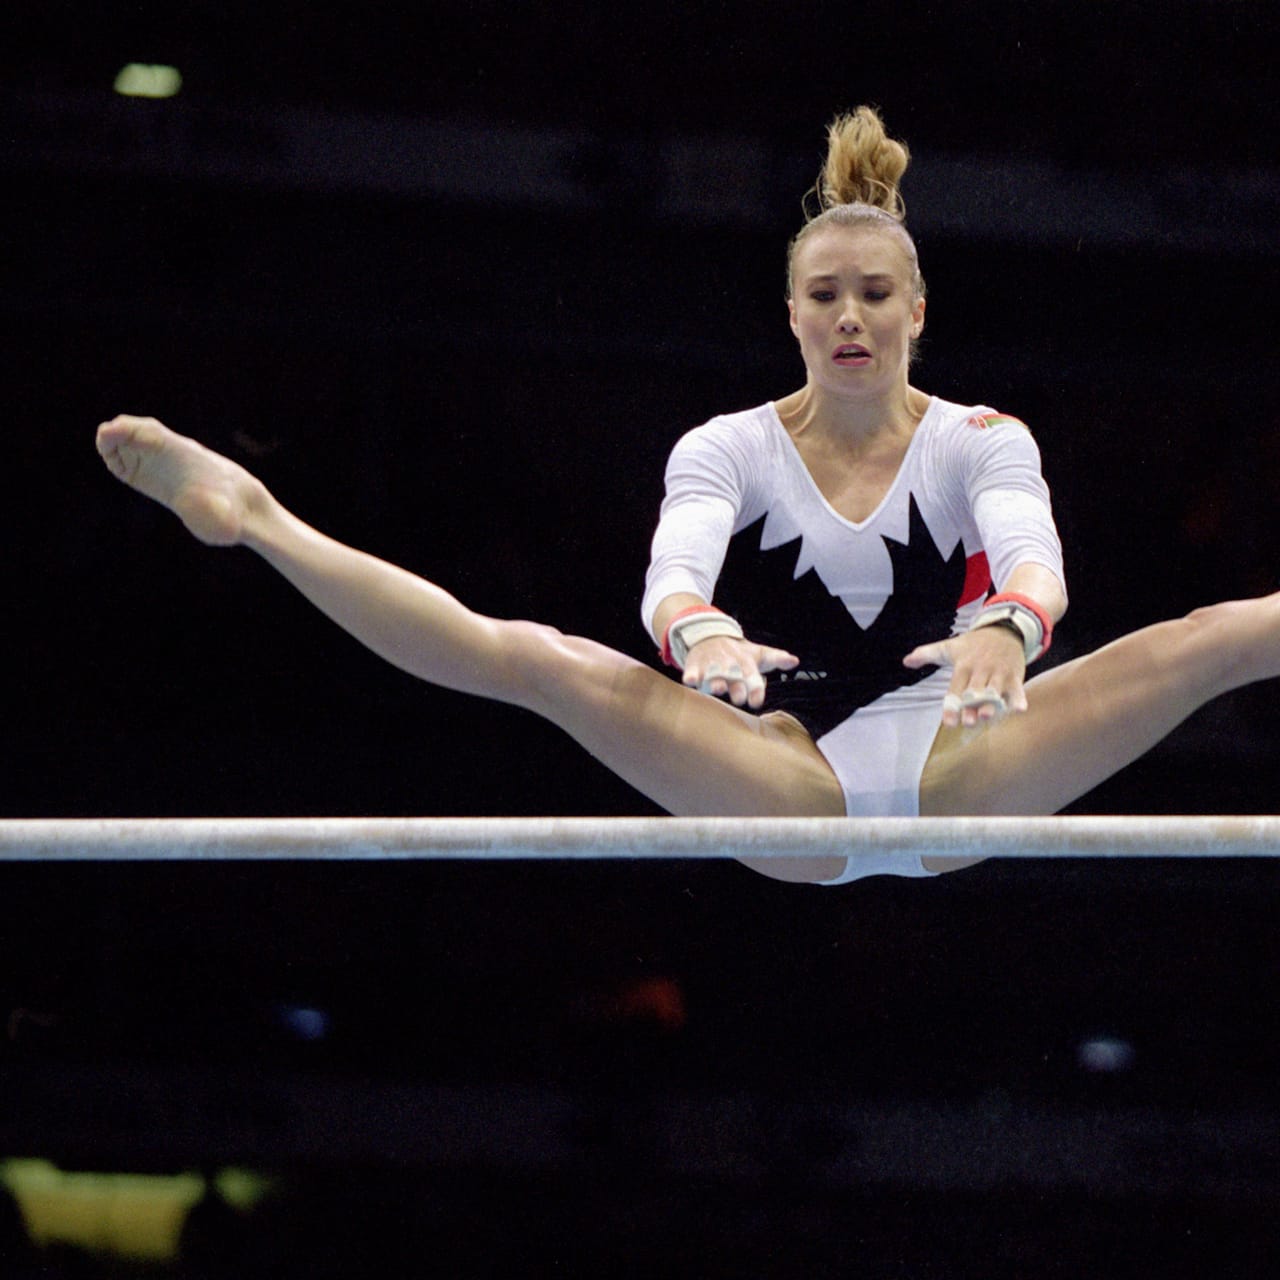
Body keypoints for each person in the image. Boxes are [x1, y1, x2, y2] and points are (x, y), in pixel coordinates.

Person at [96, 107, 1279, 886]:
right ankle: (256, 516)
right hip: (778, 773)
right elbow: (674, 571)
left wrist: (1011, 629)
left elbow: (1031, 550)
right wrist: (699, 631)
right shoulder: (725, 448)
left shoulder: (976, 440)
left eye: (875, 292)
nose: (850, 315)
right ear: (790, 315)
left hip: (961, 757)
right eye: (825, 295)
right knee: (533, 658)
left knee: (1211, 638)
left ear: (917, 312)